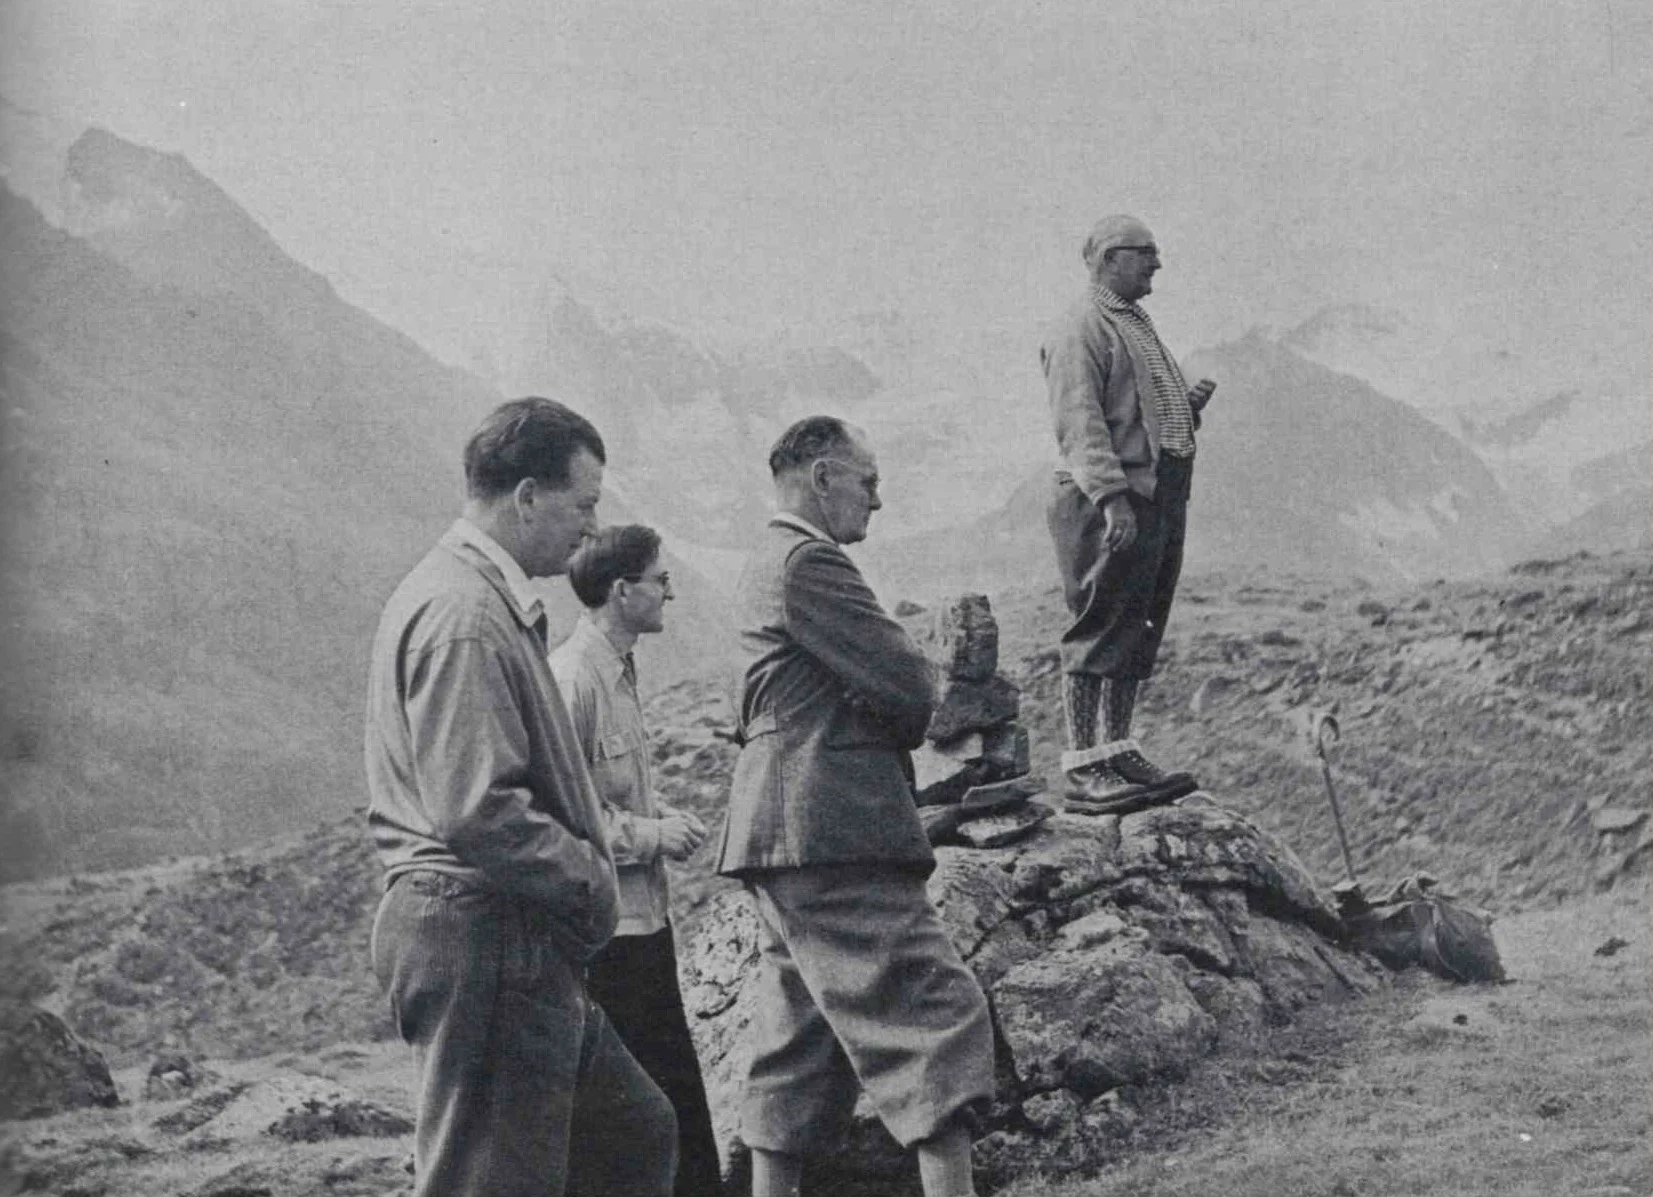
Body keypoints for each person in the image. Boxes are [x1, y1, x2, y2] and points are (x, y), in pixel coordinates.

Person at [364, 397, 677, 1197]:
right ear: (528, 495)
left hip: (500, 936)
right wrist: (589, 879)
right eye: (583, 504)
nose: (590, 527)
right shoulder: (464, 613)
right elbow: (478, 807)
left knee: (637, 1128)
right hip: (487, 933)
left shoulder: (471, 597)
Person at [714, 416, 995, 1197]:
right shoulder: (810, 562)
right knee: (935, 1013)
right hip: (830, 828)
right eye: (867, 481)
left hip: (779, 835)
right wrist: (885, 696)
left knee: (796, 1041)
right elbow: (911, 687)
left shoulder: (760, 563)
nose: (878, 498)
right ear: (823, 477)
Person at [550, 524, 724, 1196]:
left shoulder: (615, 671)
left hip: (646, 926)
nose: (669, 590)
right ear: (621, 591)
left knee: (677, 1105)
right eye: (658, 579)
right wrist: (654, 835)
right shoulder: (573, 680)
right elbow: (564, 815)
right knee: (638, 1122)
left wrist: (659, 819)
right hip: (607, 939)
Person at [1041, 214, 1217, 814]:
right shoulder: (1080, 327)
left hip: (1157, 492)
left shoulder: (1131, 321)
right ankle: (1084, 764)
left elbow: (1129, 412)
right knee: (1101, 623)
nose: (1157, 265)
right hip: (1107, 502)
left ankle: (1116, 750)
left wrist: (1184, 409)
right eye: (1146, 253)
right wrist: (1112, 500)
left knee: (1138, 622)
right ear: (1110, 259)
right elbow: (1080, 425)